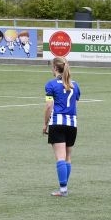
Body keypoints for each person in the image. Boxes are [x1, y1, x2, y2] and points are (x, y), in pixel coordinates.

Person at [44, 57, 80, 197]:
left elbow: (49, 106)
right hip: (72, 124)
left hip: (57, 123)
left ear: (55, 68)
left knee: (60, 157)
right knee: (67, 157)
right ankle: (64, 187)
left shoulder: (51, 84)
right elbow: (75, 103)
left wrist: (45, 124)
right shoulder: (75, 85)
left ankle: (63, 190)